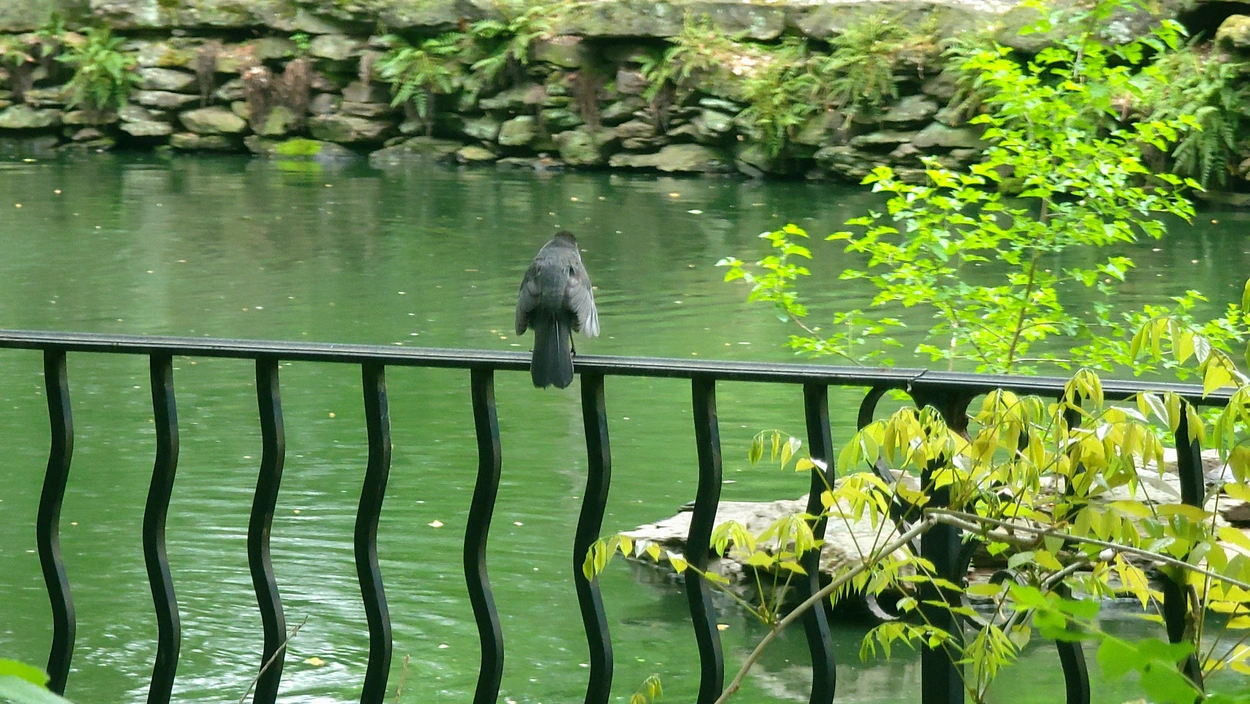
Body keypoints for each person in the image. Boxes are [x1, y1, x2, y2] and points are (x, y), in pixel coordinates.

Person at [514, 231, 599, 388]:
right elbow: (584, 301)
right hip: (566, 308)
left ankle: (542, 352)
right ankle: (570, 349)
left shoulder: (537, 263)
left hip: (538, 310)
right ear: (574, 246)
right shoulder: (576, 265)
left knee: (544, 324)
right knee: (562, 322)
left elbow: (524, 299)